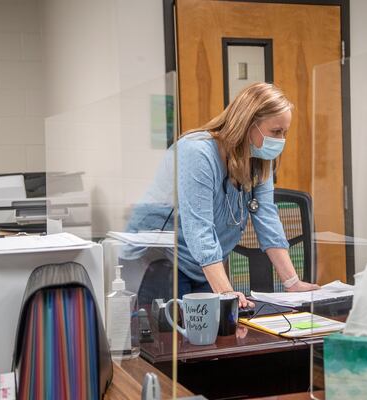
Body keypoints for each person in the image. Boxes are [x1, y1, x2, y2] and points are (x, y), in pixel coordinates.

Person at [126, 82, 319, 308]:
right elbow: (199, 228)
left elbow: (267, 218)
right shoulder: (197, 151)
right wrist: (226, 292)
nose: (281, 140)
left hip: (202, 265)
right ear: (248, 124)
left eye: (285, 132)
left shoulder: (260, 162)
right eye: (276, 131)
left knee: (220, 330)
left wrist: (292, 282)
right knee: (178, 336)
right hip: (160, 262)